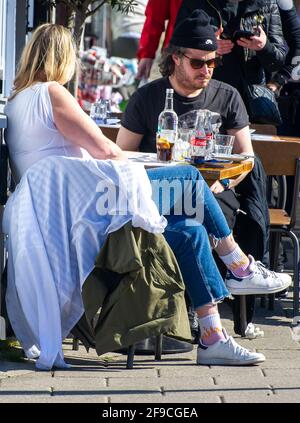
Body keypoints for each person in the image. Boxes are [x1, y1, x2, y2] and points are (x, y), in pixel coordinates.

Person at [4, 24, 291, 368]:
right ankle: (240, 266)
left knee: (190, 231)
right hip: (86, 213)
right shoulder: (52, 92)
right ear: (64, 57)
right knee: (187, 176)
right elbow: (106, 150)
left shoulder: (19, 99)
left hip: (66, 216)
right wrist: (135, 165)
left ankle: (213, 336)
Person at [117, 9, 282, 337]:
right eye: (198, 63)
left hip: (219, 191)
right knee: (191, 218)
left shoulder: (227, 95)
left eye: (212, 62)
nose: (206, 70)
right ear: (175, 58)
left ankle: (200, 312)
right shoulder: (148, 98)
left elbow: (246, 158)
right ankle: (218, 293)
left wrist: (223, 183)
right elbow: (122, 158)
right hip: (159, 196)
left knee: (201, 216)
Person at [136, 0, 182, 80]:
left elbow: (155, 15)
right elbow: (155, 14)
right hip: (177, 52)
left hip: (178, 50)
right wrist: (147, 53)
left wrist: (147, 53)